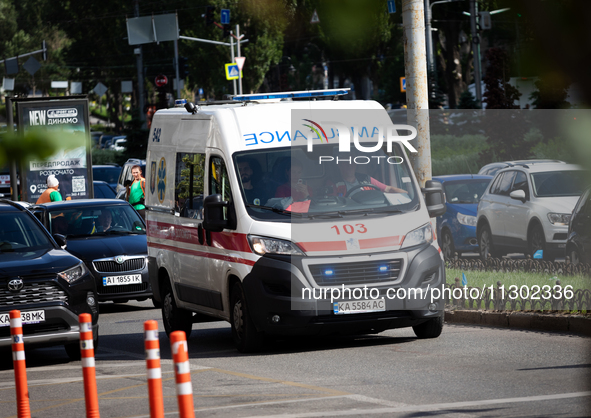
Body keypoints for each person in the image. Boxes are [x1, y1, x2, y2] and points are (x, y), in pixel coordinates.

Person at [330, 160, 407, 196]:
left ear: (356, 164)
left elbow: (388, 189)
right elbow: (333, 205)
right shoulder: (333, 182)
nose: (349, 165)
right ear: (339, 165)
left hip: (371, 212)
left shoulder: (366, 178)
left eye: (352, 161)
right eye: (345, 162)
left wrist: (408, 195)